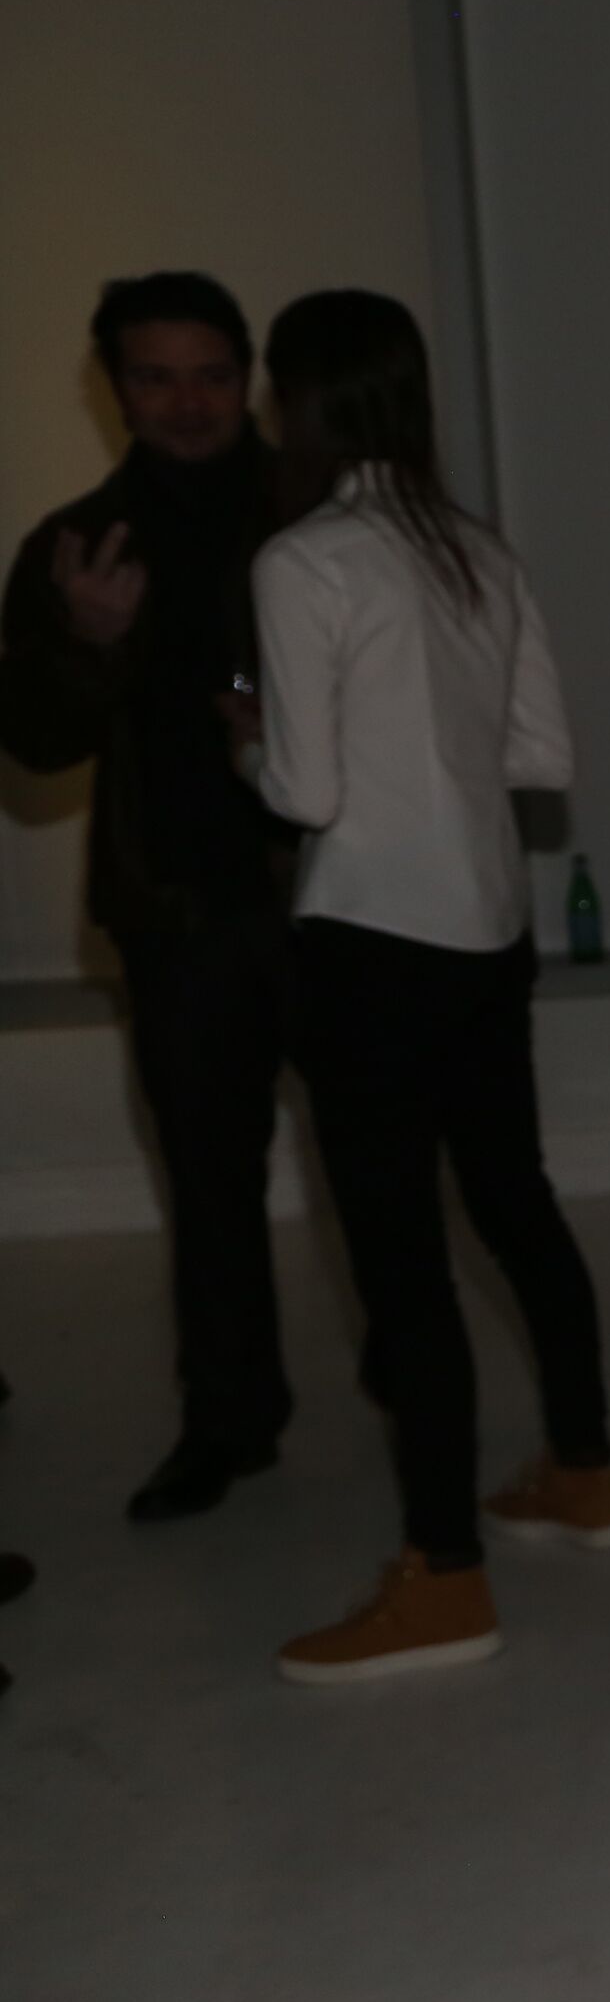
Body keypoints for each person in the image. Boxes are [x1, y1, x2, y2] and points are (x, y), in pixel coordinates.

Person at [249, 289, 610, 1687]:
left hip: (367, 944)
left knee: (400, 1261)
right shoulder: (479, 551)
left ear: (298, 401)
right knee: (514, 1205)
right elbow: (540, 757)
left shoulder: (302, 559)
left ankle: (444, 1575)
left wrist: (248, 738)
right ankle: (583, 1471)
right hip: (484, 930)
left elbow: (305, 791)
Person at [0, 272, 297, 1524]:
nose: (188, 403)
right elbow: (33, 743)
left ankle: (421, 1403)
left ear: (247, 377)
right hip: (179, 911)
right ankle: (228, 1421)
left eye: (212, 375)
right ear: (113, 387)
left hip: (345, 897)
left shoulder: (318, 512)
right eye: (156, 377)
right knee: (210, 1185)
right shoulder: (76, 543)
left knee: (388, 1166)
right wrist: (89, 640)